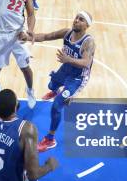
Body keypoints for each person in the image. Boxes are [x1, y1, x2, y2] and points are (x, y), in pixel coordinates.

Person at [33, 12, 95, 152]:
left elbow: (86, 62)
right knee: (51, 85)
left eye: (81, 19)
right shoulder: (67, 33)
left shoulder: (88, 42)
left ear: (87, 25)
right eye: (76, 18)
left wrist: (68, 59)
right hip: (66, 68)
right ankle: (56, 91)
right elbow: (46, 36)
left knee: (56, 106)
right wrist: (30, 37)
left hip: (78, 78)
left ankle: (50, 139)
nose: (77, 20)